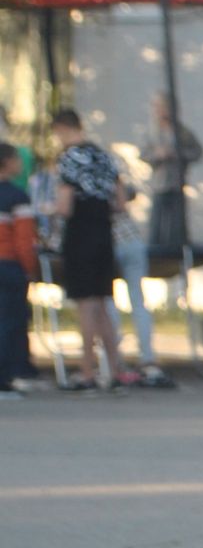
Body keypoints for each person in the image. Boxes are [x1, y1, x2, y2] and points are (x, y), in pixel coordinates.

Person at [48, 110, 129, 393]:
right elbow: (120, 203)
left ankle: (87, 371)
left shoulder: (69, 159)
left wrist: (47, 209)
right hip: (104, 231)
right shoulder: (106, 157)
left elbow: (64, 205)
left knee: (86, 304)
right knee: (103, 303)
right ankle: (116, 369)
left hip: (80, 232)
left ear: (61, 128)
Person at [105, 182, 173, 388]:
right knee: (138, 300)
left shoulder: (81, 182)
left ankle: (114, 357)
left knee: (108, 300)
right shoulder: (110, 177)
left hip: (104, 240)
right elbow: (129, 194)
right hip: (130, 240)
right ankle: (147, 357)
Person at [137, 92, 202, 255]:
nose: (158, 111)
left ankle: (178, 251)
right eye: (156, 107)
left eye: (161, 107)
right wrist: (157, 155)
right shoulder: (152, 132)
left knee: (177, 224)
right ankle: (156, 253)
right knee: (157, 223)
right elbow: (143, 154)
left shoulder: (182, 132)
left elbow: (197, 152)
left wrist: (178, 154)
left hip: (177, 183)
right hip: (159, 184)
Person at [0, 145, 34, 399]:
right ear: (8, 163)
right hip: (9, 265)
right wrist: (29, 268)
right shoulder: (17, 196)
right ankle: (6, 378)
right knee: (10, 322)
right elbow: (24, 240)